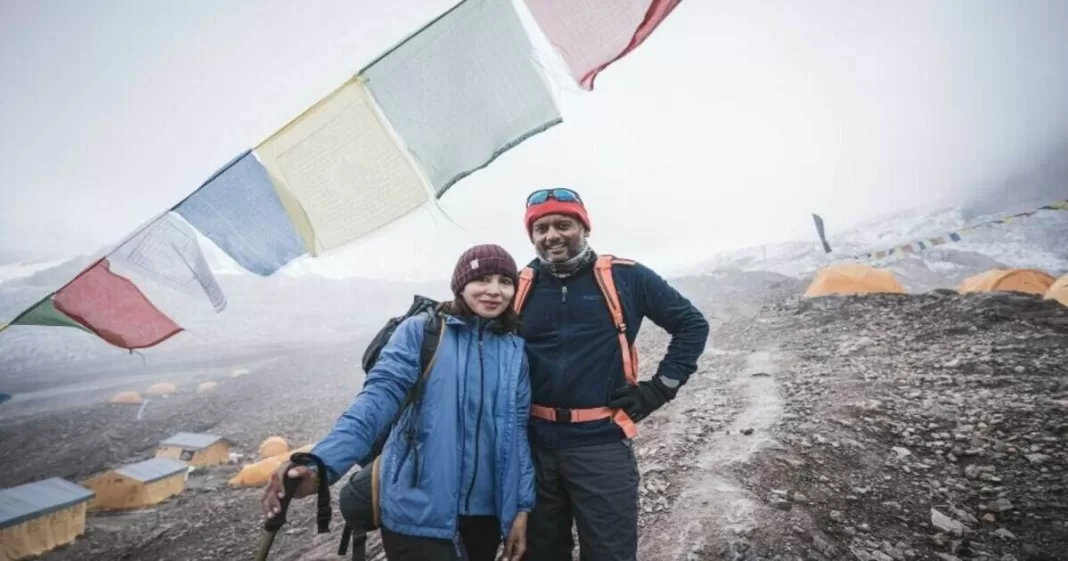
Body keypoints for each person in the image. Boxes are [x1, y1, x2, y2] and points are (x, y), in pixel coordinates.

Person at [261, 244, 535, 561]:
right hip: (417, 510)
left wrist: (520, 507)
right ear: (461, 284)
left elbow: (516, 436)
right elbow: (375, 402)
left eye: (505, 281)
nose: (494, 290)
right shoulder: (422, 332)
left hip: (484, 517)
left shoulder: (513, 351)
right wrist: (320, 463)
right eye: (482, 279)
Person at [514, 188, 710, 561]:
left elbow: (691, 324)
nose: (552, 236)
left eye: (563, 224)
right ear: (532, 236)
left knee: (610, 554)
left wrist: (659, 389)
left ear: (584, 228)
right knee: (539, 554)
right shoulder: (520, 286)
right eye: (541, 228)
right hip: (533, 447)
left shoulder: (626, 277)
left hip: (600, 445)